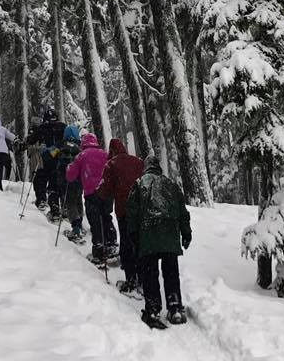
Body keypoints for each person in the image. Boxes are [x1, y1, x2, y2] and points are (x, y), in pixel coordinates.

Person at [127, 155, 192, 329]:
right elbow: (182, 211)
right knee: (171, 272)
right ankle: (175, 307)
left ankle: (154, 310)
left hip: (148, 236)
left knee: (150, 274)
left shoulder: (139, 184)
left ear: (146, 168)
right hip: (170, 235)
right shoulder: (171, 184)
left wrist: (133, 235)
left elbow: (131, 212)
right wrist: (186, 233)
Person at [97, 138, 144, 295]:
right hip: (141, 209)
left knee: (126, 243)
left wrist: (100, 195)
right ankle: (143, 279)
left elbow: (105, 189)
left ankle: (131, 280)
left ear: (112, 151)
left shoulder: (111, 164)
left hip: (124, 209)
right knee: (139, 243)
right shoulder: (138, 161)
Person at [66, 133, 116, 262]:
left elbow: (71, 176)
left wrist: (69, 168)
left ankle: (99, 250)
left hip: (91, 192)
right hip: (106, 191)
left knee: (95, 220)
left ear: (83, 143)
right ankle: (111, 244)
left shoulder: (81, 156)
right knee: (106, 217)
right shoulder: (104, 154)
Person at [26, 108, 66, 217]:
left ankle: (47, 204)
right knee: (56, 183)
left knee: (42, 180)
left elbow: (31, 140)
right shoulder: (63, 127)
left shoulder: (42, 128)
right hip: (60, 159)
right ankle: (59, 207)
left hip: (47, 159)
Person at [56, 125, 84, 241]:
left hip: (67, 179)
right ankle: (80, 223)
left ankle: (76, 228)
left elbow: (60, 165)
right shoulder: (80, 148)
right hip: (80, 180)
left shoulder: (63, 147)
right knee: (78, 200)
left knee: (70, 202)